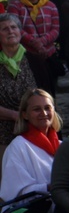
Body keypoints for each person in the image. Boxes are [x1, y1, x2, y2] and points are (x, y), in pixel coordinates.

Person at [7, 0, 61, 95]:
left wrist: (42, 42)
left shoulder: (51, 6)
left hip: (48, 55)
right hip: (26, 55)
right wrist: (34, 43)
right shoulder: (15, 6)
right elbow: (16, 29)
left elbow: (55, 29)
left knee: (50, 90)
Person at [0, 13, 37, 171]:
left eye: (14, 27)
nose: (10, 31)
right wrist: (15, 115)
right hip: (2, 135)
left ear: (20, 32)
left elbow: (46, 97)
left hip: (32, 131)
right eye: (5, 29)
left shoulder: (35, 61)